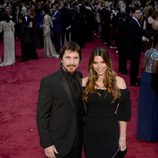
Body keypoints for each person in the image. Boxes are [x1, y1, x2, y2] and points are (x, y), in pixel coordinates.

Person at [36, 41, 84, 158]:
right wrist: (47, 144)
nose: (72, 62)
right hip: (58, 144)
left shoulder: (79, 76)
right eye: (68, 58)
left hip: (77, 142)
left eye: (75, 58)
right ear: (61, 59)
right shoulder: (49, 82)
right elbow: (42, 115)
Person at [82, 47, 131, 158]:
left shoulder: (119, 82)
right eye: (95, 63)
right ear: (91, 64)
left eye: (102, 62)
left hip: (110, 131)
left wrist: (122, 138)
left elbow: (123, 114)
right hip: (90, 132)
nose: (99, 67)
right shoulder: (84, 82)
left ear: (108, 62)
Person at [137, 31, 158, 142]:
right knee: (153, 106)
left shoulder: (148, 51)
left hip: (145, 78)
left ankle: (144, 132)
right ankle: (152, 133)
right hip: (152, 79)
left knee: (145, 106)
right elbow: (154, 71)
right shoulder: (157, 54)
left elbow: (143, 66)